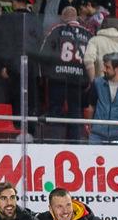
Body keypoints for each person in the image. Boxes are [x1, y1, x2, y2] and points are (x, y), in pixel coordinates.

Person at [38, 7, 91, 140]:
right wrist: (89, 79)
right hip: (78, 79)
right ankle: (74, 142)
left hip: (58, 77)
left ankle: (54, 141)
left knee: (55, 110)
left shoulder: (57, 29)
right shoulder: (88, 34)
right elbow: (92, 59)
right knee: (75, 112)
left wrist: (45, 74)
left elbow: (44, 54)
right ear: (77, 17)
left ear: (62, 16)